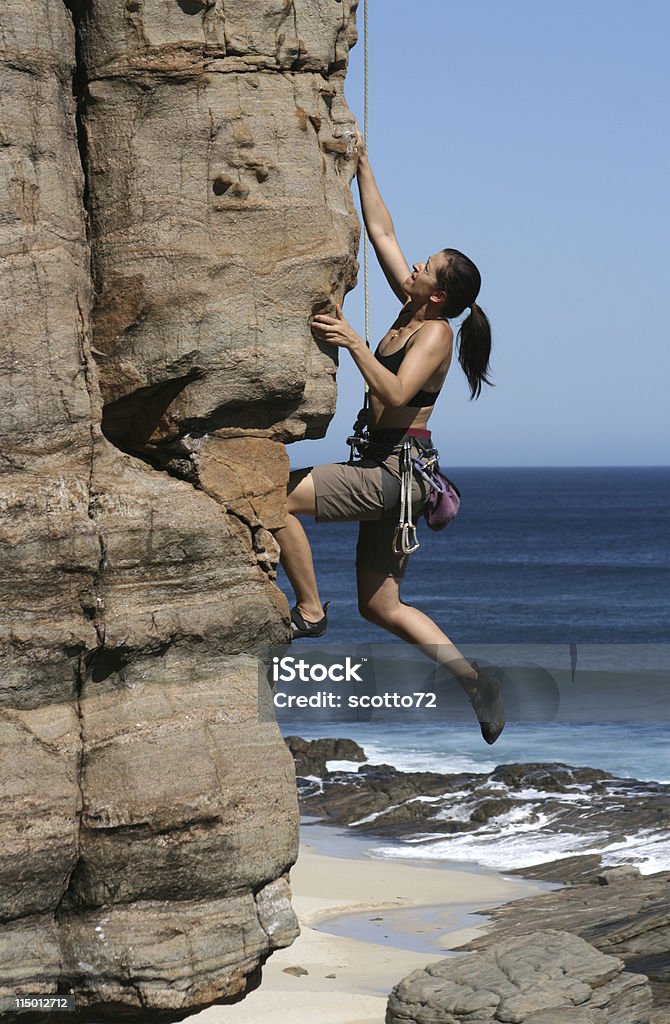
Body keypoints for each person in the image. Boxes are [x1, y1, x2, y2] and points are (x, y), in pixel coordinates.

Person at [272, 134, 505, 744]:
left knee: (277, 496)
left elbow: (398, 396)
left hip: (392, 476)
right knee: (382, 606)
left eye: (425, 268)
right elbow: (382, 234)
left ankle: (310, 611)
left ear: (439, 295)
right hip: (390, 471)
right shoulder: (413, 307)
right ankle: (475, 681)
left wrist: (351, 342)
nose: (414, 267)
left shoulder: (436, 337)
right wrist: (363, 169)